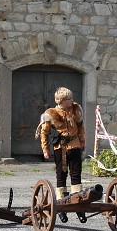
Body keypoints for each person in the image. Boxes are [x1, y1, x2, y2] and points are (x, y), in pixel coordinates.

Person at [38, 87, 86, 223]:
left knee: (76, 175)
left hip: (75, 145)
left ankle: (78, 205)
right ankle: (61, 206)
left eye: (71, 98)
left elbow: (81, 127)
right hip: (60, 148)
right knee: (61, 176)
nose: (72, 100)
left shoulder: (76, 109)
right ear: (62, 101)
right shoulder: (51, 113)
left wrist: (82, 142)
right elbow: (44, 132)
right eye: (69, 99)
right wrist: (45, 149)